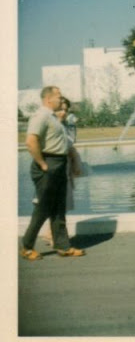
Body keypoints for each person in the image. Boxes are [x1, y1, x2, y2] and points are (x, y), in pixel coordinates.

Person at [21, 86, 85, 260]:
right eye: (59, 97)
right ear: (48, 99)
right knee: (43, 208)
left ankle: (63, 246)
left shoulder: (53, 117)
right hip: (48, 163)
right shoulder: (41, 116)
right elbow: (31, 141)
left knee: (58, 207)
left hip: (59, 163)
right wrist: (42, 163)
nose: (61, 99)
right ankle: (27, 247)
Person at [40, 97, 84, 245]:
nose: (63, 112)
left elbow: (70, 146)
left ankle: (51, 234)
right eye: (60, 109)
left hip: (65, 168)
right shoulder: (50, 125)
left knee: (62, 203)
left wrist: (75, 163)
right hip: (54, 168)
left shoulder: (67, 126)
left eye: (66, 110)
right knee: (56, 203)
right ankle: (54, 236)